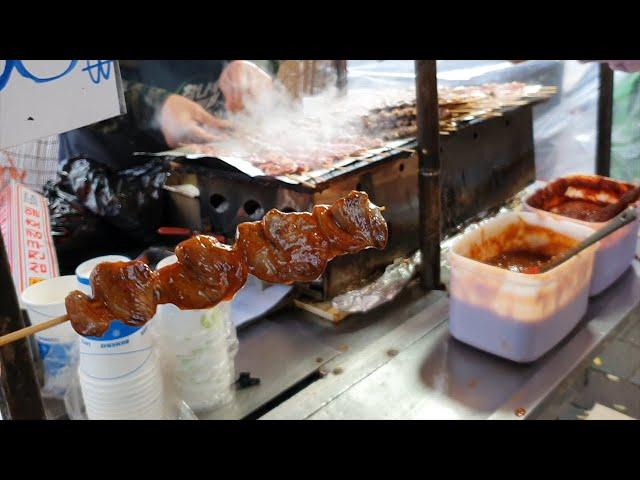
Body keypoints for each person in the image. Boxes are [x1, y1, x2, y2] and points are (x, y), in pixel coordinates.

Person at [58, 60, 274, 170]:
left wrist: (253, 65)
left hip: (206, 172)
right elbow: (63, 86)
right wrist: (152, 107)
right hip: (109, 176)